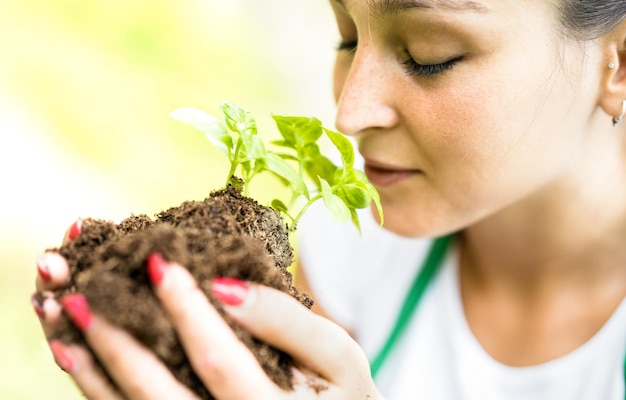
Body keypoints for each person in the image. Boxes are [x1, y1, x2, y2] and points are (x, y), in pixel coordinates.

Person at [33, 0, 626, 398]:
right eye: (347, 36)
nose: (348, 114)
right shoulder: (356, 245)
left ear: (617, 63)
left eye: (428, 54)